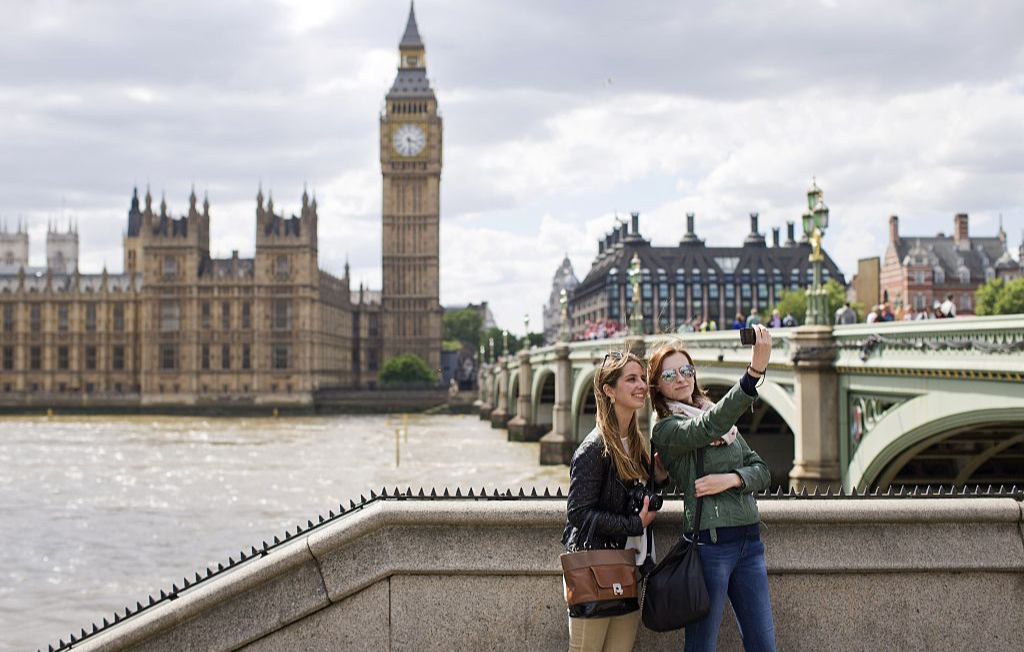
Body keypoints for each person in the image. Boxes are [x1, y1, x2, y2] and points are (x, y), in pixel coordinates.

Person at [648, 326, 775, 652]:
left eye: (686, 370)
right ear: (657, 388)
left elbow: (761, 470)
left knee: (764, 645)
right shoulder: (667, 430)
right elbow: (707, 428)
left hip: (750, 544)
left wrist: (733, 479)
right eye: (670, 374)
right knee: (702, 646)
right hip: (709, 548)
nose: (681, 378)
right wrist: (753, 374)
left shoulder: (720, 420)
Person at [562, 350, 666, 652]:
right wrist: (633, 524)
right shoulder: (593, 449)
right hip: (596, 570)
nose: (642, 386)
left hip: (630, 567)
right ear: (609, 390)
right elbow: (578, 514)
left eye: (643, 379)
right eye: (631, 379)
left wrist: (657, 477)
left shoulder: (634, 443)